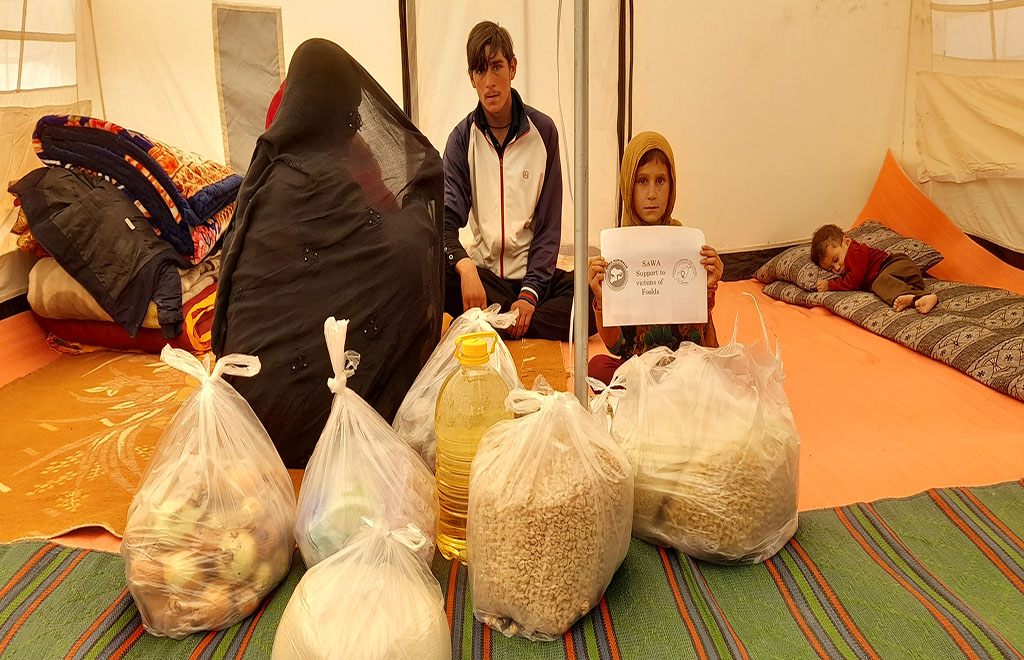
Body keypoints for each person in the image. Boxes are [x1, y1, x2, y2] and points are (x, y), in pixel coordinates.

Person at [211, 38, 444, 468]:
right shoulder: (326, 181)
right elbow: (394, 260)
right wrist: (419, 210)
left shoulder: (266, 179)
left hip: (248, 415)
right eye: (348, 111)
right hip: (313, 426)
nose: (354, 122)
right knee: (407, 274)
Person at [443, 21, 591, 340]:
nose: (489, 82)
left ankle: (493, 320)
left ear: (512, 68)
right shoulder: (461, 139)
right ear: (471, 78)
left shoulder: (544, 132)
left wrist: (529, 295)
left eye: (497, 67)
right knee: (431, 277)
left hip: (531, 278)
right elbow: (444, 223)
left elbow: (549, 228)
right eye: (480, 71)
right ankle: (510, 320)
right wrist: (465, 266)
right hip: (484, 277)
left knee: (589, 301)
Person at [587, 132, 724, 385]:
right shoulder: (618, 253)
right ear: (628, 186)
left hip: (683, 366)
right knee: (596, 367)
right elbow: (616, 345)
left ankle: (659, 392)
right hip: (638, 369)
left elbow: (699, 340)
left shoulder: (689, 247)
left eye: (660, 180)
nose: (652, 193)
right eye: (642, 181)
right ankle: (659, 392)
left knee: (712, 372)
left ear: (672, 185)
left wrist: (706, 287)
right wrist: (602, 299)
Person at [810, 224, 938, 314]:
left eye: (836, 259)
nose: (837, 268)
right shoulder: (847, 261)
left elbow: (854, 281)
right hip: (901, 278)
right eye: (831, 269)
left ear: (847, 242)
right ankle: (917, 298)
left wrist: (830, 285)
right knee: (884, 285)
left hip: (895, 265)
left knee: (879, 283)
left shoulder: (854, 252)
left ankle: (924, 295)